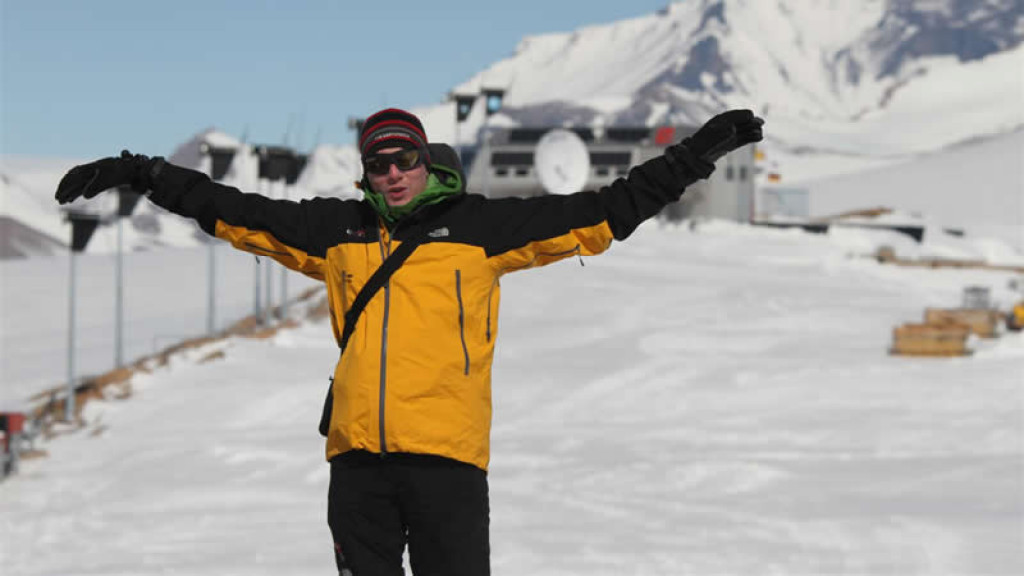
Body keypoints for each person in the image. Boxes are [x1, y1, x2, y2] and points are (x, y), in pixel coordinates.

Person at [55, 107, 763, 575]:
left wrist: (693, 157)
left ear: (428, 159)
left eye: (403, 158)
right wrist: (145, 173)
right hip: (358, 464)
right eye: (377, 163)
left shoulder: (484, 228)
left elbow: (603, 214)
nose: (391, 172)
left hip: (447, 465)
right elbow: (237, 211)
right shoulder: (339, 232)